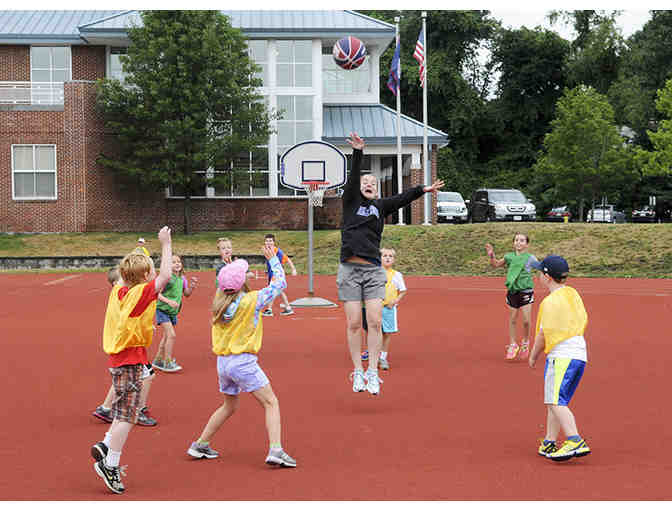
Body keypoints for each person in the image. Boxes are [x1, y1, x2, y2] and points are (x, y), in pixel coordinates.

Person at [339, 132, 444, 395]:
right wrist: (358, 152)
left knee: (375, 322)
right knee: (354, 323)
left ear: (377, 189)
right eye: (365, 182)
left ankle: (373, 372)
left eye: (372, 182)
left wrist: (422, 190)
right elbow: (353, 177)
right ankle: (358, 371)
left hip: (373, 271)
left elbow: (402, 198)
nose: (368, 184)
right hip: (350, 270)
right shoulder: (350, 202)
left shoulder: (381, 206)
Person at [186, 244, 296, 468]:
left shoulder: (219, 302)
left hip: (223, 363)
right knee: (271, 402)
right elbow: (280, 284)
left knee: (229, 406)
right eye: (245, 272)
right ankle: (276, 450)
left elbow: (229, 288)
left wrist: (231, 271)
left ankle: (201, 443)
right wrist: (273, 260)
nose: (248, 274)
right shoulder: (252, 300)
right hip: (243, 362)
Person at [90, 226, 173, 494]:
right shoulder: (140, 294)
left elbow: (129, 272)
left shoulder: (119, 290)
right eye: (150, 271)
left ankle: (106, 445)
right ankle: (110, 464)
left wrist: (139, 252)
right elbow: (166, 276)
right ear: (145, 276)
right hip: (130, 359)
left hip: (121, 357)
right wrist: (166, 244)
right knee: (129, 415)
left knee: (124, 410)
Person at [528, 255, 591, 461]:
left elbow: (542, 334)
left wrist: (533, 355)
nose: (538, 275)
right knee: (554, 400)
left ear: (547, 277)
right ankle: (549, 440)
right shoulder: (572, 293)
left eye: (539, 272)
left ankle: (574, 439)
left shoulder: (550, 302)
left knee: (555, 401)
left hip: (562, 355)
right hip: (579, 353)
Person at [92, 267, 157, 427]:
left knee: (127, 378)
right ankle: (138, 409)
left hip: (126, 342)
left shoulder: (122, 294)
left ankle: (106, 407)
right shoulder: (121, 293)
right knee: (147, 376)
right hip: (129, 345)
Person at [485, 233, 539, 360]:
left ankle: (525, 342)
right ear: (513, 243)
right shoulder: (509, 256)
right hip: (512, 291)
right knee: (513, 319)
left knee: (526, 320)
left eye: (522, 240)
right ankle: (513, 344)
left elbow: (541, 268)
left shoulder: (530, 258)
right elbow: (496, 264)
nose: (519, 242)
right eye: (516, 240)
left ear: (527, 244)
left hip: (526, 291)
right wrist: (491, 255)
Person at [360, 247, 407, 371]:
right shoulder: (373, 273)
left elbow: (402, 291)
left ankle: (383, 357)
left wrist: (395, 301)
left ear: (394, 259)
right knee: (371, 329)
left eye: (390, 256)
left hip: (388, 308)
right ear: (379, 258)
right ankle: (370, 351)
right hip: (373, 306)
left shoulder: (397, 275)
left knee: (387, 332)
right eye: (384, 255)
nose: (387, 258)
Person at [152, 254, 198, 372]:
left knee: (166, 336)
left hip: (172, 312)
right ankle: (167, 362)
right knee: (171, 335)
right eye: (173, 262)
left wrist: (191, 287)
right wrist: (169, 301)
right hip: (162, 310)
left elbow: (186, 294)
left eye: (178, 262)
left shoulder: (182, 279)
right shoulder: (167, 279)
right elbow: (156, 294)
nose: (177, 264)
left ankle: (158, 360)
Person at [261, 233, 297, 317]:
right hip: (272, 274)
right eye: (267, 241)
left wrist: (293, 269)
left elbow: (287, 259)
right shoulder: (267, 251)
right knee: (279, 291)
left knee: (272, 290)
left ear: (274, 242)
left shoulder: (277, 251)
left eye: (270, 241)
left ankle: (269, 310)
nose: (268, 242)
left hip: (276, 275)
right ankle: (288, 308)